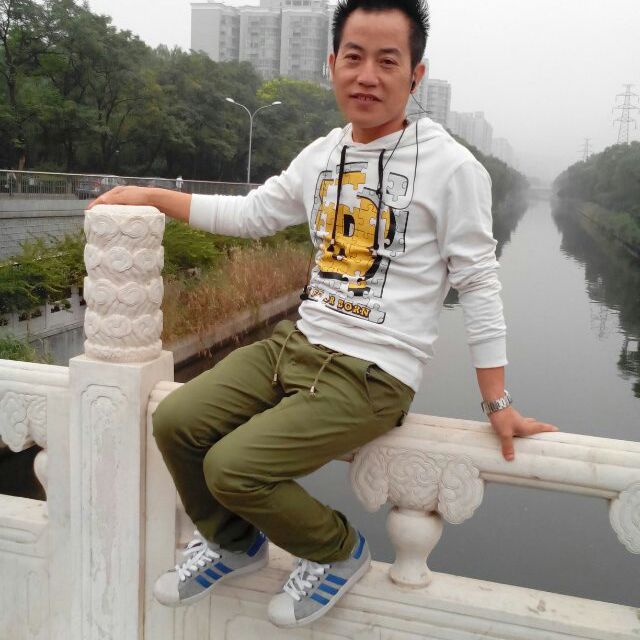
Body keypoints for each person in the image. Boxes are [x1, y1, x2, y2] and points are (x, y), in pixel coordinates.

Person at [88, 0, 558, 628]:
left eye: (388, 61)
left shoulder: (452, 168)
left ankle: (337, 550)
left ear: (415, 74)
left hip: (373, 373)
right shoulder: (323, 153)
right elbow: (252, 214)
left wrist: (497, 402)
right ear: (332, 64)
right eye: (354, 58)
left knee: (233, 467)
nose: (368, 76)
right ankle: (234, 543)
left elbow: (477, 281)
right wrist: (150, 195)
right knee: (176, 421)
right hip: (298, 344)